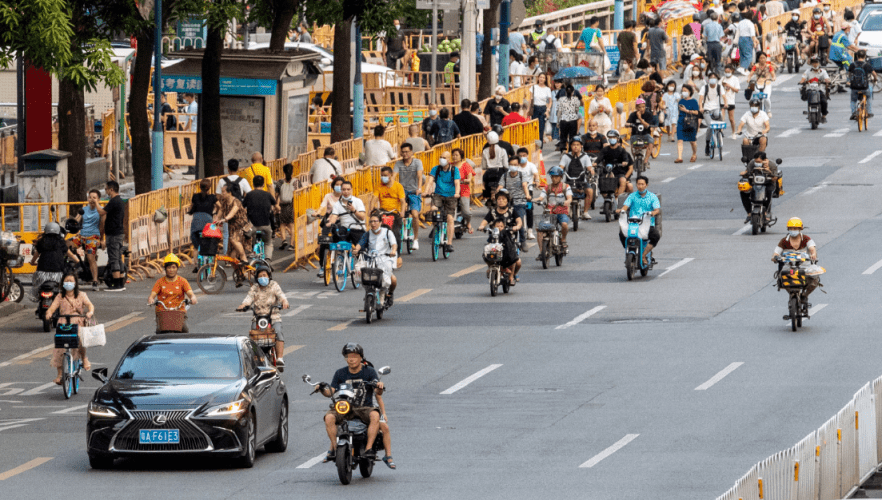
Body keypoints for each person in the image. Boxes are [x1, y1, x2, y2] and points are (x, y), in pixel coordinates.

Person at [319, 344, 384, 463]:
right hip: (344, 407)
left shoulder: (369, 371)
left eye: (354, 356)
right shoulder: (340, 373)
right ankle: (334, 448)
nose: (351, 359)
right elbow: (331, 392)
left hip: (364, 407)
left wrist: (379, 386)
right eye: (348, 356)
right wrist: (322, 389)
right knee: (328, 417)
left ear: (361, 358)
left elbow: (377, 390)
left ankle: (369, 449)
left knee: (375, 415)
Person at [44, 272, 94, 383]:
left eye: (71, 281)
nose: (68, 283)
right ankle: (60, 375)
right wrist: (49, 313)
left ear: (75, 283)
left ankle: (84, 358)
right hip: (63, 323)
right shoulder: (60, 296)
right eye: (66, 281)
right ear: (62, 283)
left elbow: (90, 305)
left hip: (78, 322)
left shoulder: (82, 295)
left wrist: (90, 312)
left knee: (80, 339)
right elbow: (52, 308)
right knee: (59, 347)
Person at [237, 265, 289, 369]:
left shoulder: (274, 285)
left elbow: (281, 295)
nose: (263, 277)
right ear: (257, 278)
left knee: (278, 332)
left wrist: (284, 301)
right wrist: (244, 305)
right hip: (258, 317)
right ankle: (256, 358)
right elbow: (249, 298)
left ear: (269, 276)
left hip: (273, 316)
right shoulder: (254, 288)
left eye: (264, 275)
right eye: (260, 276)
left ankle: (279, 358)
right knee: (253, 336)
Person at [477, 191, 522, 285]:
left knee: (516, 260)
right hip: (495, 238)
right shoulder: (492, 212)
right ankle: (490, 268)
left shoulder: (512, 211)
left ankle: (511, 276)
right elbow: (485, 221)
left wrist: (517, 226)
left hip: (509, 239)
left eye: (503, 199)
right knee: (487, 253)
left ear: (507, 201)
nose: (500, 201)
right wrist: (481, 226)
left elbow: (519, 221)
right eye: (499, 199)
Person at [353, 214, 398, 305]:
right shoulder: (368, 233)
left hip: (385, 259)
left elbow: (394, 244)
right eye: (371, 221)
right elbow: (361, 242)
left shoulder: (387, 232)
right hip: (370, 259)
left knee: (392, 280)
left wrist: (393, 251)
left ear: (380, 222)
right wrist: (356, 249)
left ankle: (389, 294)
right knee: (365, 276)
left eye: (375, 221)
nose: (373, 224)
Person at [617, 176, 661, 266]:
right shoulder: (632, 196)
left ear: (646, 185)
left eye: (642, 184)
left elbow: (657, 210)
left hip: (647, 224)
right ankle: (628, 251)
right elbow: (625, 207)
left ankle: (644, 255)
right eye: (638, 184)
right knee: (622, 234)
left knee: (656, 236)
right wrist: (621, 210)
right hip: (633, 223)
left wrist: (652, 213)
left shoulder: (652, 197)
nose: (640, 186)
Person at [147, 254, 198, 333]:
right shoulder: (159, 282)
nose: (171, 270)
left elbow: (190, 293)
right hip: (163, 312)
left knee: (185, 330)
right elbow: (152, 295)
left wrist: (193, 297)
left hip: (179, 312)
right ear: (165, 269)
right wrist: (151, 299)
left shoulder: (182, 281)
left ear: (177, 268)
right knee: (159, 331)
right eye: (169, 267)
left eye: (173, 267)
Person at [29, 222, 78, 303]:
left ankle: (38, 298)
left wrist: (32, 262)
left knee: (36, 286)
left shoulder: (42, 241)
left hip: (42, 274)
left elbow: (36, 255)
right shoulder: (61, 242)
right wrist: (78, 261)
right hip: (58, 275)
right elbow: (70, 254)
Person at [772, 217, 820, 299]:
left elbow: (812, 248)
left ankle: (804, 296)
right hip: (788, 268)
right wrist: (775, 257)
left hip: (805, 267)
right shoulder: (784, 241)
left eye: (795, 228)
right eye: (791, 228)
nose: (793, 230)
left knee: (815, 279)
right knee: (782, 278)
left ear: (800, 229)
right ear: (788, 229)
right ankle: (792, 294)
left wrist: (813, 254)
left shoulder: (806, 239)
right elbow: (776, 253)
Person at [393, 143, 424, 249]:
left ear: (411, 152)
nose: (405, 154)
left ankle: (415, 239)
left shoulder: (417, 162)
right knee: (399, 213)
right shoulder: (398, 163)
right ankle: (402, 229)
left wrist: (419, 188)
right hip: (402, 192)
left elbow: (419, 176)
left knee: (415, 214)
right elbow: (393, 176)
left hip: (414, 191)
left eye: (407, 151)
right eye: (403, 152)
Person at [374, 166, 406, 268]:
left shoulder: (398, 186)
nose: (383, 177)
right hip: (383, 212)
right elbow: (373, 199)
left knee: (396, 233)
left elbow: (402, 201)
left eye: (385, 175)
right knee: (376, 231)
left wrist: (402, 212)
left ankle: (398, 256)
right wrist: (371, 210)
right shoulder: (379, 186)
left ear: (391, 175)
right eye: (382, 175)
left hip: (395, 213)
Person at [429, 151, 461, 252]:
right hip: (438, 195)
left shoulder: (454, 170)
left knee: (450, 218)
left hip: (451, 196)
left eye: (444, 157)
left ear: (448, 159)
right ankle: (436, 230)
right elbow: (430, 181)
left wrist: (457, 193)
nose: (442, 159)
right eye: (441, 157)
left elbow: (457, 183)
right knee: (433, 211)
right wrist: (425, 192)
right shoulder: (436, 169)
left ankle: (449, 243)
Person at [73, 189, 105, 290]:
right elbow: (76, 220)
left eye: (94, 198)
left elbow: (103, 225)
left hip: (93, 236)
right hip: (82, 235)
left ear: (99, 199)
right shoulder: (84, 209)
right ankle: (76, 265)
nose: (91, 199)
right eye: (90, 197)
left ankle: (95, 281)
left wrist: (102, 239)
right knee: (66, 244)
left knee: (91, 258)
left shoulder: (101, 210)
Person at [536, 167, 572, 257]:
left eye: (556, 177)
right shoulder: (547, 188)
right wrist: (535, 200)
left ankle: (563, 239)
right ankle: (541, 252)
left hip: (562, 212)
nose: (554, 179)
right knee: (539, 230)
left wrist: (567, 202)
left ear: (560, 177)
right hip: (549, 213)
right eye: (552, 177)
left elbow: (569, 198)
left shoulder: (566, 187)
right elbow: (541, 197)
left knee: (564, 224)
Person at [315, 177, 346, 278]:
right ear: (333, 186)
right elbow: (322, 207)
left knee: (340, 242)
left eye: (341, 185)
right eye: (337, 184)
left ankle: (341, 264)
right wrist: (317, 213)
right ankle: (322, 267)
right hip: (328, 221)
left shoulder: (345, 197)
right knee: (324, 243)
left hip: (341, 221)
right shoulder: (328, 196)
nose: (339, 187)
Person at [560, 137, 595, 220]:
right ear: (570, 146)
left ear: (581, 146)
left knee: (590, 191)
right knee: (559, 192)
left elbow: (589, 167)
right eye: (573, 145)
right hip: (568, 181)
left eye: (577, 145)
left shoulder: (585, 156)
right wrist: (559, 172)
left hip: (582, 181)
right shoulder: (565, 156)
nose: (575, 147)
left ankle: (585, 212)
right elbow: (561, 167)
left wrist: (591, 171)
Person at [243, 176, 277, 261]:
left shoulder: (249, 195)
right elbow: (276, 205)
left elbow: (242, 207)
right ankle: (268, 259)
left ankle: (252, 254)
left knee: (251, 238)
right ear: (263, 184)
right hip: (266, 225)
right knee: (268, 243)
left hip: (253, 226)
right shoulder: (268, 195)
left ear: (253, 184)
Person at [739, 151, 778, 222]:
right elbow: (747, 172)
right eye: (756, 161)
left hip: (767, 183)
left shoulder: (771, 165)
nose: (757, 163)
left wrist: (768, 171)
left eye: (759, 161)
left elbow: (775, 178)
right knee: (744, 192)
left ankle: (766, 211)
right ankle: (749, 212)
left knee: (769, 192)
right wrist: (744, 173)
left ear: (764, 160)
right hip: (754, 183)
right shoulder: (752, 163)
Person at [215, 183, 249, 265]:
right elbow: (220, 212)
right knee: (232, 256)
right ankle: (241, 274)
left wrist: (225, 219)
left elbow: (233, 212)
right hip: (232, 226)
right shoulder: (224, 202)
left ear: (229, 192)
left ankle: (243, 257)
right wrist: (215, 221)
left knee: (233, 239)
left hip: (240, 224)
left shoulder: (236, 201)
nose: (222, 193)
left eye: (223, 192)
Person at [502, 156, 531, 249]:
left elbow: (524, 185)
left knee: (520, 221)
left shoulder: (522, 175)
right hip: (507, 203)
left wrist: (527, 195)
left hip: (520, 202)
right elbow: (500, 187)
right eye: (511, 164)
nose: (513, 166)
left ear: (518, 165)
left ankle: (523, 241)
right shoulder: (505, 175)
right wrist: (497, 195)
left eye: (515, 164)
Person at [188, 179, 217, 271]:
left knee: (196, 247)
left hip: (196, 222)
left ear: (200, 187)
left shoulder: (195, 196)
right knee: (208, 243)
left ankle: (196, 265)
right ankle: (209, 264)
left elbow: (191, 208)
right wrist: (215, 213)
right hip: (207, 222)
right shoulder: (212, 197)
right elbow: (219, 206)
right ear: (209, 188)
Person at [595, 130, 634, 198]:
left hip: (619, 173)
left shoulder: (622, 150)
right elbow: (599, 158)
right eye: (610, 137)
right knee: (601, 181)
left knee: (623, 181)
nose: (612, 139)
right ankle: (607, 199)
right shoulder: (605, 150)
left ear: (618, 139)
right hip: (608, 172)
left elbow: (627, 161)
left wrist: (625, 162)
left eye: (614, 137)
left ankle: (618, 199)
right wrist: (595, 163)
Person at [103, 180, 126, 291]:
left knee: (114, 258)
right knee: (118, 258)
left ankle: (116, 284)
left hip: (113, 234)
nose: (105, 191)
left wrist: (96, 203)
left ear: (111, 189)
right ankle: (121, 283)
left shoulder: (113, 201)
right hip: (119, 233)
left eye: (106, 189)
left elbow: (102, 212)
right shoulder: (120, 201)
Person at [327, 181, 367, 246]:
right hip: (345, 230)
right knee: (336, 235)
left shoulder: (357, 201)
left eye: (348, 189)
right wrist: (330, 223)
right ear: (341, 191)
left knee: (360, 249)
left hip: (357, 229)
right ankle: (340, 254)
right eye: (344, 189)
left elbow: (362, 217)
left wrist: (353, 210)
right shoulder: (337, 204)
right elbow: (334, 217)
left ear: (352, 190)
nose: (346, 191)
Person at [699, 72, 727, 156]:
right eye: (711, 77)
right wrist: (701, 107)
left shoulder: (719, 87)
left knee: (719, 117)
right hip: (707, 109)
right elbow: (700, 99)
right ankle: (707, 144)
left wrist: (726, 103)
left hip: (716, 108)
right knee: (710, 126)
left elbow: (724, 97)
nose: (713, 79)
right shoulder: (705, 87)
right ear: (708, 79)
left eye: (714, 77)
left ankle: (720, 132)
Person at [517, 147, 540, 240]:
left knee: (529, 210)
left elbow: (536, 174)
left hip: (528, 191)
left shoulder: (531, 165)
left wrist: (537, 181)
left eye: (524, 155)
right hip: (517, 191)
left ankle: (530, 230)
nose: (522, 157)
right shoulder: (515, 166)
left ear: (527, 156)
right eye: (520, 156)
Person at [799, 56, 830, 123]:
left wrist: (827, 81)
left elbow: (827, 79)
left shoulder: (823, 72)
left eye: (816, 62)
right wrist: (802, 82)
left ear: (819, 63)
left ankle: (824, 115)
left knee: (824, 101)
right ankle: (809, 110)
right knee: (808, 98)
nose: (815, 64)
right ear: (811, 64)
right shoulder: (807, 71)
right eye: (813, 63)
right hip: (810, 90)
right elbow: (803, 79)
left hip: (820, 90)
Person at [675, 85, 701, 163]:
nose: (684, 92)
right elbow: (678, 111)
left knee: (692, 141)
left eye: (685, 90)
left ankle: (694, 154)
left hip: (691, 122)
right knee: (680, 139)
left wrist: (687, 111)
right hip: (681, 121)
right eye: (683, 90)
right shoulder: (681, 101)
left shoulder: (694, 101)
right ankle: (679, 157)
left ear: (690, 92)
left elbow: (697, 112)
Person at [451, 149, 475, 234]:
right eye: (453, 155)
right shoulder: (450, 166)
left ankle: (468, 223)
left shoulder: (466, 165)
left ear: (461, 156)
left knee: (466, 212)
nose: (454, 157)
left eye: (457, 155)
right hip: (451, 191)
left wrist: (465, 180)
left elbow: (469, 177)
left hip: (463, 191)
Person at [275, 163, 298, 251]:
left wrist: (275, 205)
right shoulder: (296, 182)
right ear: (292, 171)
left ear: (283, 172)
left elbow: (276, 195)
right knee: (292, 225)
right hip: (292, 205)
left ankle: (284, 240)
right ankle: (292, 245)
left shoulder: (280, 182)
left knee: (282, 224)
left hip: (282, 206)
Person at [627, 98, 656, 164]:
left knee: (651, 141)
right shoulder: (633, 115)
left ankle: (646, 159)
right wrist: (628, 124)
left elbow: (647, 125)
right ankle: (634, 158)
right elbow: (627, 123)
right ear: (636, 107)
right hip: (635, 134)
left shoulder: (648, 114)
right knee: (632, 143)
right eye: (639, 107)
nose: (642, 109)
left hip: (645, 134)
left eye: (643, 107)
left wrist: (640, 118)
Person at [849, 49, 876, 119]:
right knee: (869, 96)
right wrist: (875, 79)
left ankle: (853, 113)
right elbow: (874, 74)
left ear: (857, 56)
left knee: (853, 100)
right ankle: (869, 112)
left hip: (854, 87)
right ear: (864, 56)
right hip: (864, 87)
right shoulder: (867, 65)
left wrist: (850, 81)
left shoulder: (852, 65)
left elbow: (849, 74)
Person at [557, 84, 582, 152]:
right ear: (573, 92)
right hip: (572, 121)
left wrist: (558, 121)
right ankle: (571, 152)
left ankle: (562, 150)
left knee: (563, 137)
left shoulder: (561, 99)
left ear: (565, 92)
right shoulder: (576, 99)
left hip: (563, 120)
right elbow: (577, 110)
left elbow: (559, 111)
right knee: (572, 137)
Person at [530, 73, 553, 147]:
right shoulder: (534, 87)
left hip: (543, 108)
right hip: (535, 108)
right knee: (533, 127)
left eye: (543, 77)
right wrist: (528, 110)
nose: (541, 79)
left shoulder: (547, 89)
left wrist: (548, 110)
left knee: (541, 127)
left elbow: (550, 101)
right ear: (538, 78)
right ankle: (534, 144)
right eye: (540, 77)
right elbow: (530, 99)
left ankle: (540, 146)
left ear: (545, 79)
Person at [721, 65, 742, 135]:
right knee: (721, 117)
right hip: (722, 101)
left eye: (728, 71)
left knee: (731, 119)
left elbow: (737, 90)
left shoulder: (735, 79)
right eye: (726, 71)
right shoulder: (722, 79)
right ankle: (721, 132)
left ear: (732, 71)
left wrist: (729, 86)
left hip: (730, 101)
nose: (727, 73)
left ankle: (733, 132)